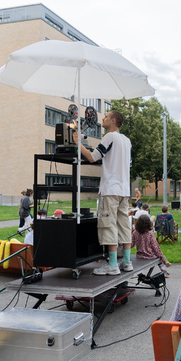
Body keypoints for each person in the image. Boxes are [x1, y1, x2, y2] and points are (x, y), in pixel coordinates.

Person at [73, 110, 132, 276]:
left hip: (110, 189)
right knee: (123, 224)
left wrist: (78, 143)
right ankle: (126, 262)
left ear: (113, 121)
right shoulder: (127, 141)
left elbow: (92, 157)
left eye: (105, 117)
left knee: (108, 225)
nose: (103, 119)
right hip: (124, 189)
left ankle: (113, 265)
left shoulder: (109, 137)